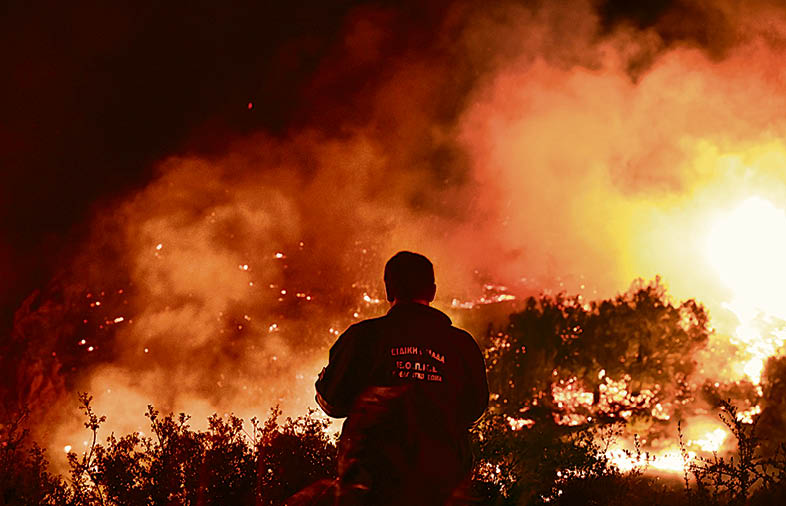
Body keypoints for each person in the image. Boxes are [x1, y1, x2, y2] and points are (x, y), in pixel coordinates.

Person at [315, 251, 489, 505]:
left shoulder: (363, 338)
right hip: (443, 486)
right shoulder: (461, 345)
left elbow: (331, 402)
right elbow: (475, 409)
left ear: (388, 289)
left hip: (373, 486)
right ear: (432, 292)